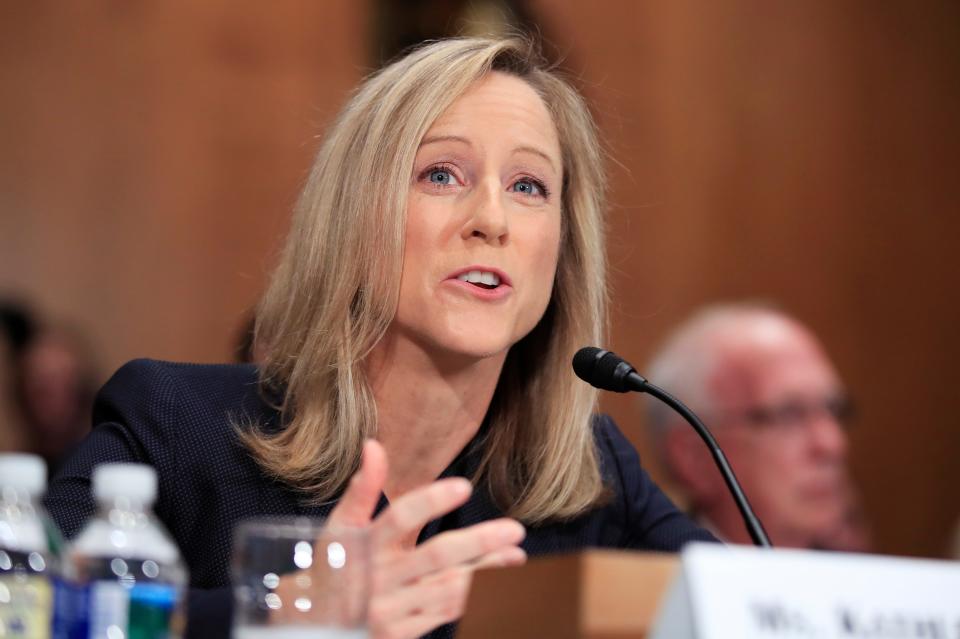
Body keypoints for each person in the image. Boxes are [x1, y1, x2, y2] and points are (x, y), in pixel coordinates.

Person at [45, 37, 715, 639]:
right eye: (441, 175)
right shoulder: (175, 424)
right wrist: (283, 614)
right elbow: (27, 608)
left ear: (562, 252)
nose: (491, 218)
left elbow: (744, 605)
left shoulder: (588, 472)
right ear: (353, 219)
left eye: (529, 185)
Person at [644, 303, 871, 551]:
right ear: (693, 458)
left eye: (833, 410)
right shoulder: (649, 584)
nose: (832, 444)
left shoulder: (866, 580)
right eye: (790, 415)